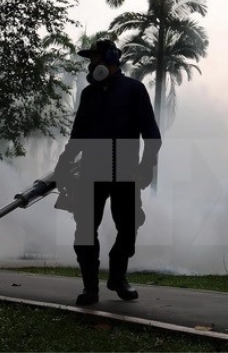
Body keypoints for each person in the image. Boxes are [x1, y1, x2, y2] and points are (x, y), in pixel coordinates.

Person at [54, 39, 161, 306]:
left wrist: (146, 166)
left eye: (97, 58)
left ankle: (117, 276)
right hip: (91, 173)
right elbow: (77, 135)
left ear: (112, 59)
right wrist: (64, 162)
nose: (92, 64)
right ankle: (90, 288)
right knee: (85, 231)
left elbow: (152, 136)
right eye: (91, 60)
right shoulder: (89, 95)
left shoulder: (134, 90)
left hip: (126, 173)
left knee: (129, 227)